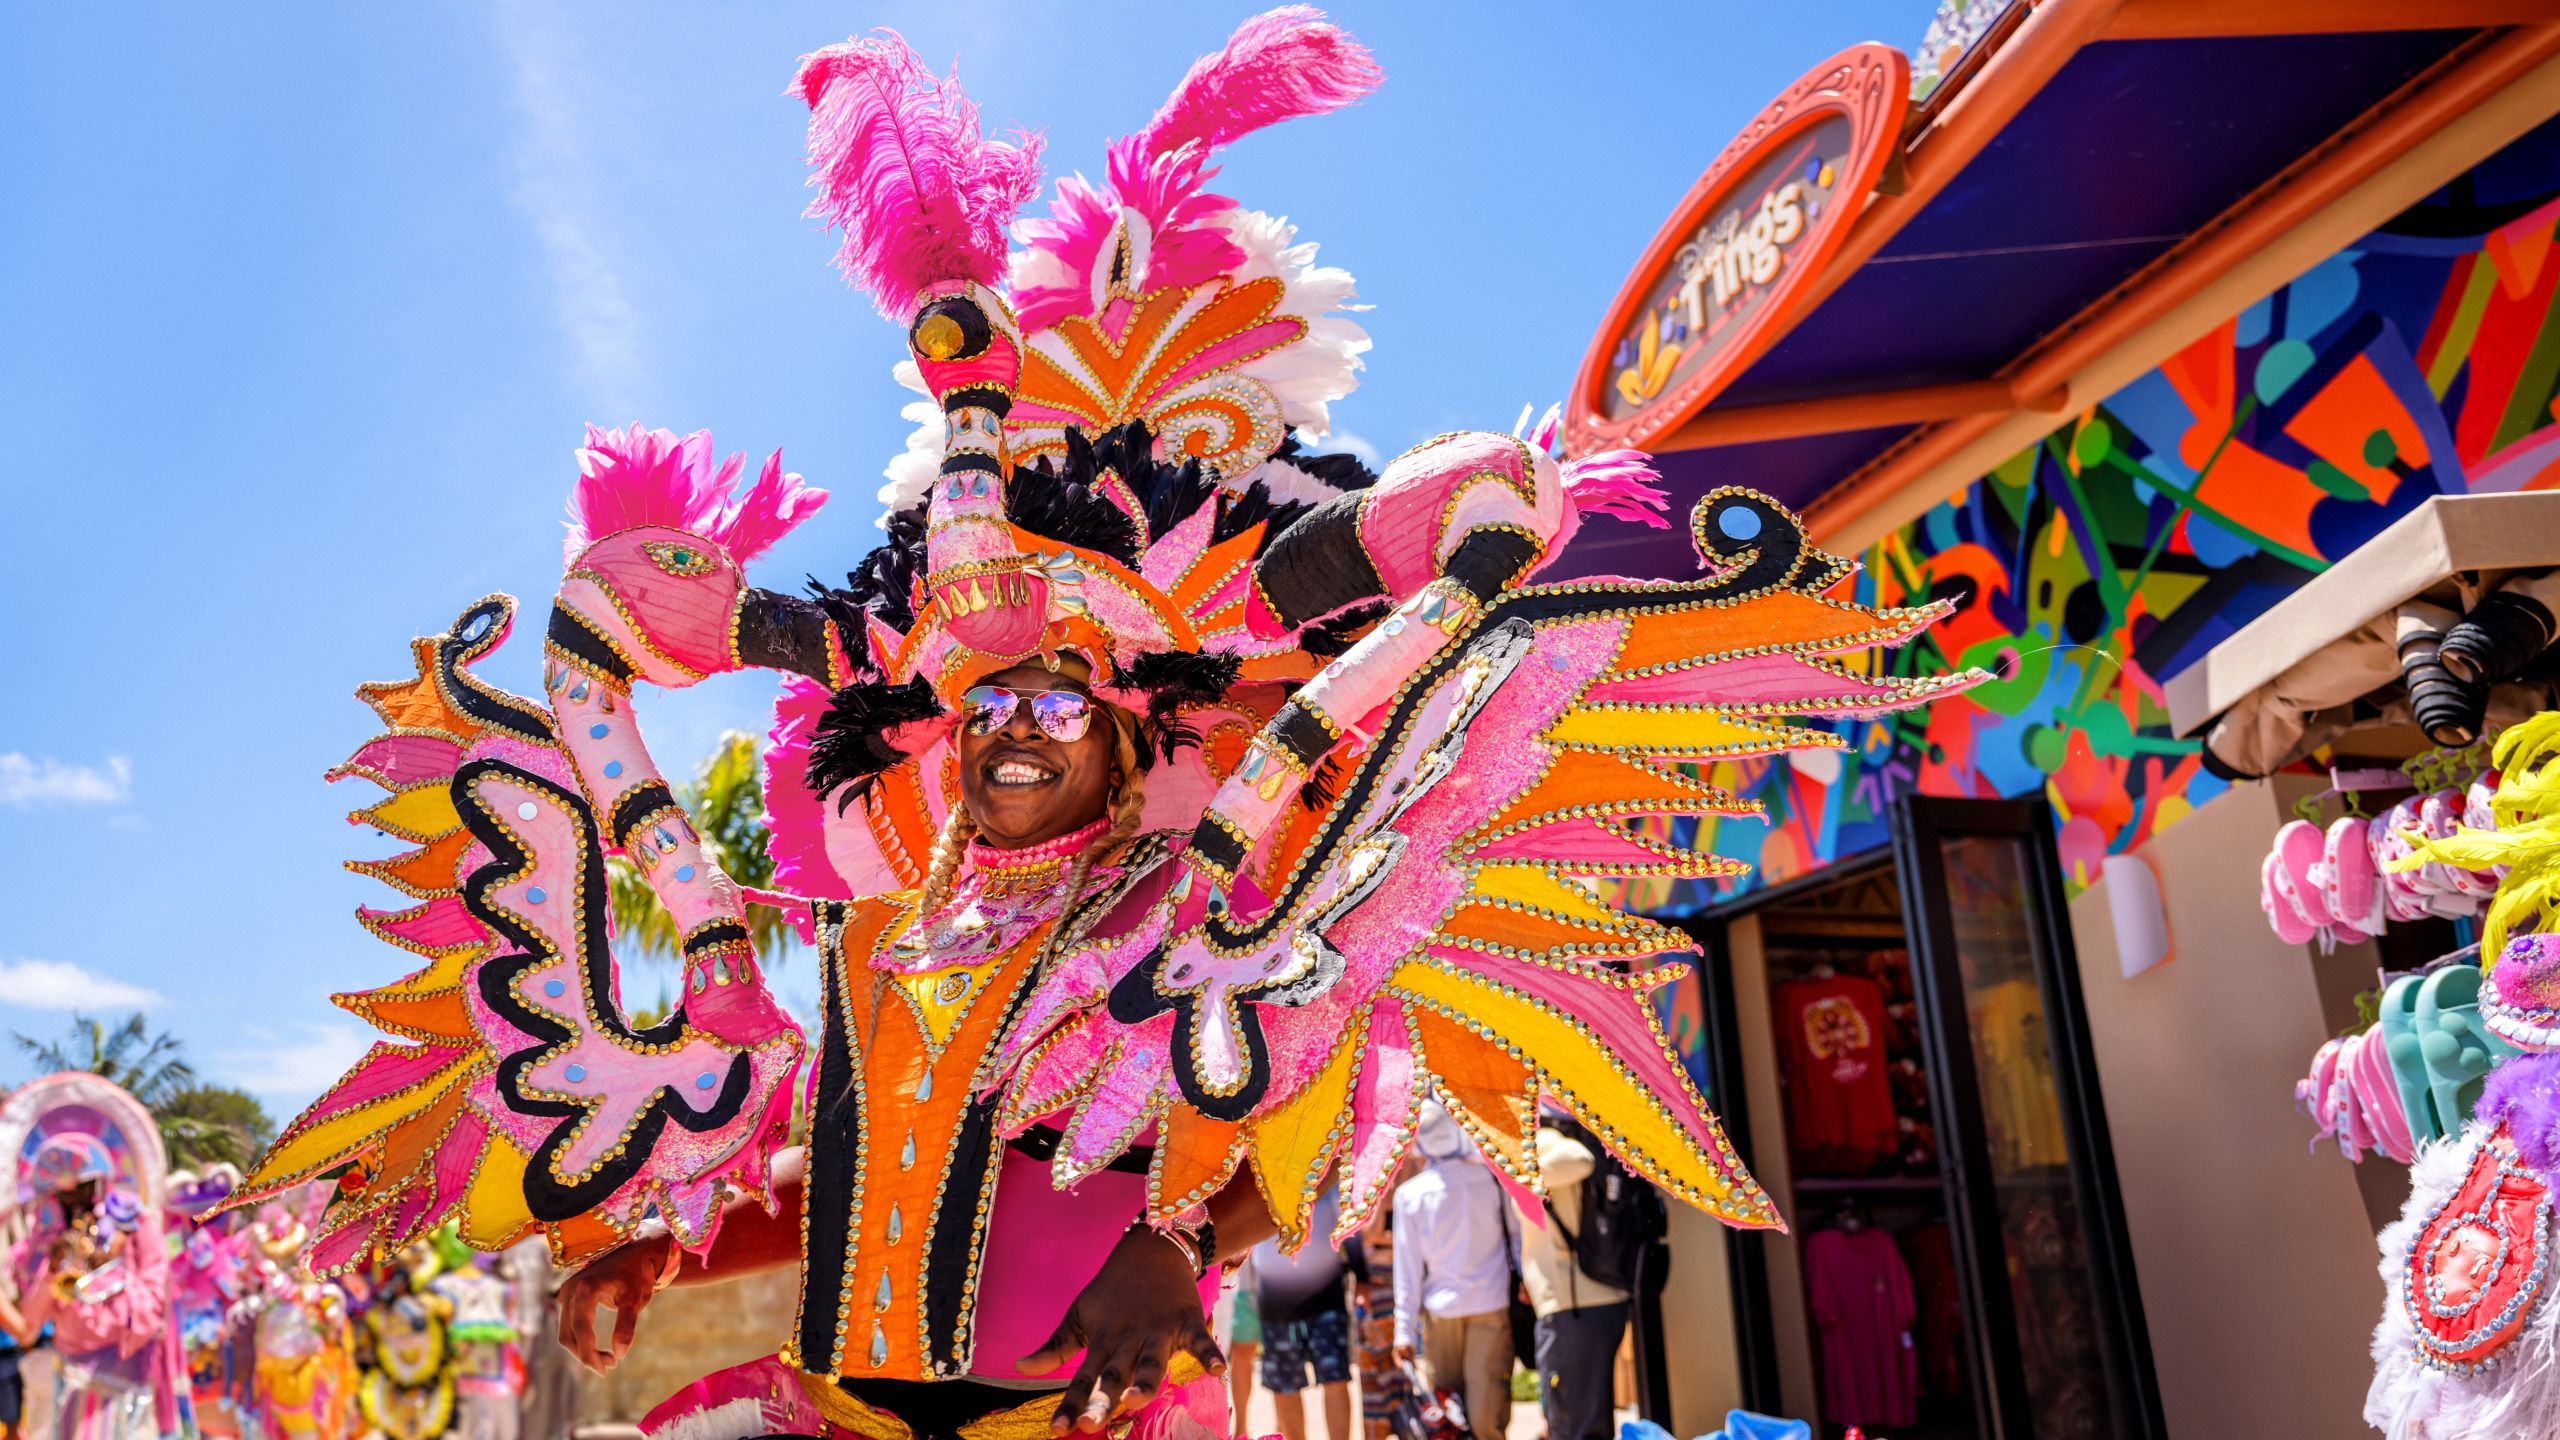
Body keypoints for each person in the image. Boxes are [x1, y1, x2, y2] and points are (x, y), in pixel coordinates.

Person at [229, 11, 1984, 1440]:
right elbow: (836, 1169)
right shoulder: (867, 946)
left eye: (1063, 698)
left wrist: (1173, 1251)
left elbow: (1280, 1134)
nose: (1016, 722)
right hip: (843, 1408)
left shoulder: (1188, 916)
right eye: (987, 693)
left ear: (1136, 739)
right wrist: (652, 1259)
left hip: (1093, 1414)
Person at [1391, 1109, 1517, 1440]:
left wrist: (1403, 1332)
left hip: (1441, 1318)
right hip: (1490, 1307)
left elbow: (1408, 1270)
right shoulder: (1491, 1180)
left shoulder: (1410, 1195)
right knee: (1485, 1420)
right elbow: (1515, 1240)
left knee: (1445, 1421)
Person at [1520, 1119, 1632, 1440]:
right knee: (1585, 1424)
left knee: (1575, 1428)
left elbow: (1580, 1160)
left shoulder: (1541, 1138)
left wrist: (1519, 1167)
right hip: (1590, 1304)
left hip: (1575, 1309)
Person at [1250, 1193, 1357, 1440]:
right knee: (1285, 1383)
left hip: (1326, 1297)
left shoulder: (1328, 1177)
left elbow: (1350, 1226)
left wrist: (1359, 1274)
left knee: (1335, 1376)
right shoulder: (1257, 1179)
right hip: (1276, 1302)